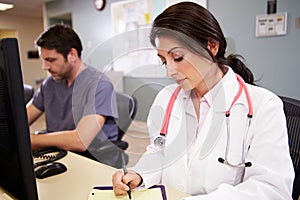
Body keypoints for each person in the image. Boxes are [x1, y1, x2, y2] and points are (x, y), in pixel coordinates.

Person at [112, 2, 294, 199]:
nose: (169, 71)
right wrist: (140, 175)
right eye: (164, 60)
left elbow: (272, 190)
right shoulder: (166, 99)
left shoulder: (264, 106)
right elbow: (158, 151)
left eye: (178, 57)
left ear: (212, 46)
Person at [27, 24, 119, 164]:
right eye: (43, 60)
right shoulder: (49, 84)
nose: (45, 67)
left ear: (72, 55)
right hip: (59, 154)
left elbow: (80, 140)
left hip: (91, 159)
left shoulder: (99, 84)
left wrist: (30, 140)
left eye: (51, 60)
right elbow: (21, 118)